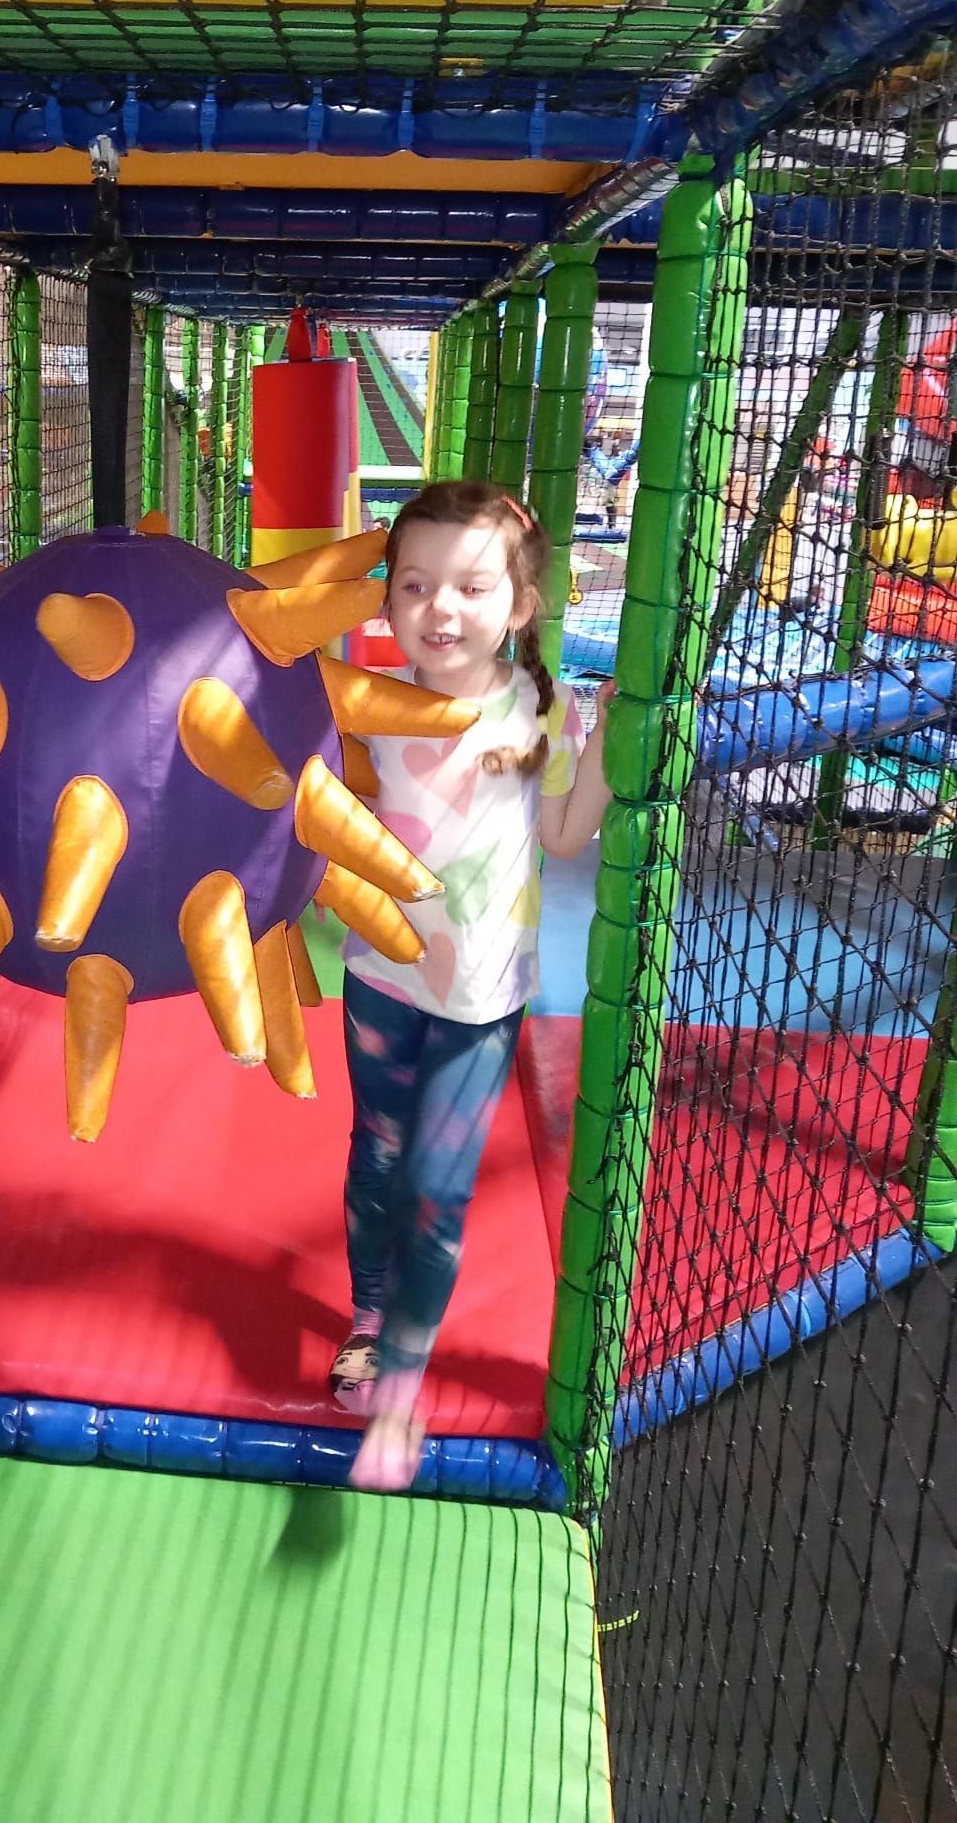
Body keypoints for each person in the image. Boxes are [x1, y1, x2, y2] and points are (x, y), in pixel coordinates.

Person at [328, 479, 614, 1491]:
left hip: (482, 1000)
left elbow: (565, 834)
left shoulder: (539, 706)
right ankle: (369, 1319)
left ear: (520, 604)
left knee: (437, 1189)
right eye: (414, 585)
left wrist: (610, 742)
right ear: (387, 599)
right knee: (377, 1154)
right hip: (380, 974)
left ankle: (401, 1390)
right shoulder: (362, 702)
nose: (439, 609)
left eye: (470, 587)